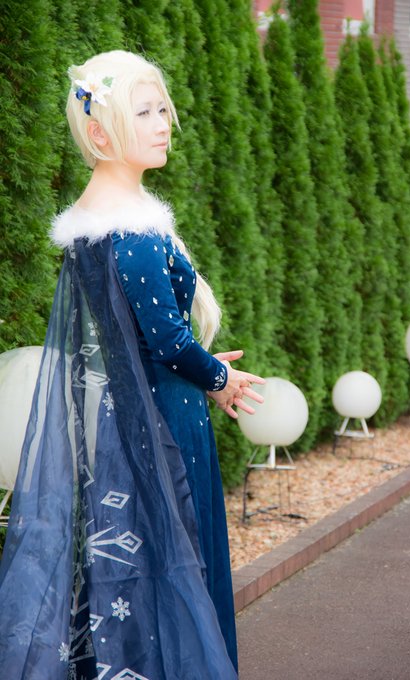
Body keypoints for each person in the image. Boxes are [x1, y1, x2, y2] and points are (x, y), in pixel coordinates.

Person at [0, 50, 264, 679]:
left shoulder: (93, 224)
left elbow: (136, 342)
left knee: (134, 565)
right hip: (165, 423)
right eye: (143, 112)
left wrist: (204, 371)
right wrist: (220, 377)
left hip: (122, 419)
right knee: (177, 562)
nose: (163, 123)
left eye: (162, 110)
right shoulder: (136, 233)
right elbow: (168, 341)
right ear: (99, 134)